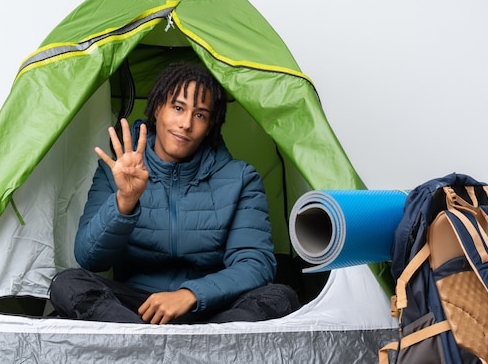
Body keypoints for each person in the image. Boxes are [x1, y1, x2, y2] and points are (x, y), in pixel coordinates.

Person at [49, 62, 300, 324]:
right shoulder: (117, 169)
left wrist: (190, 293)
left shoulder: (240, 178)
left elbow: (255, 263)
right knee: (66, 285)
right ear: (157, 108)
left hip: (212, 307)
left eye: (200, 115)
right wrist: (125, 201)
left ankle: (176, 348)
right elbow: (90, 258)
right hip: (137, 309)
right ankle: (157, 346)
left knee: (280, 297)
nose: (186, 124)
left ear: (211, 124)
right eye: (178, 108)